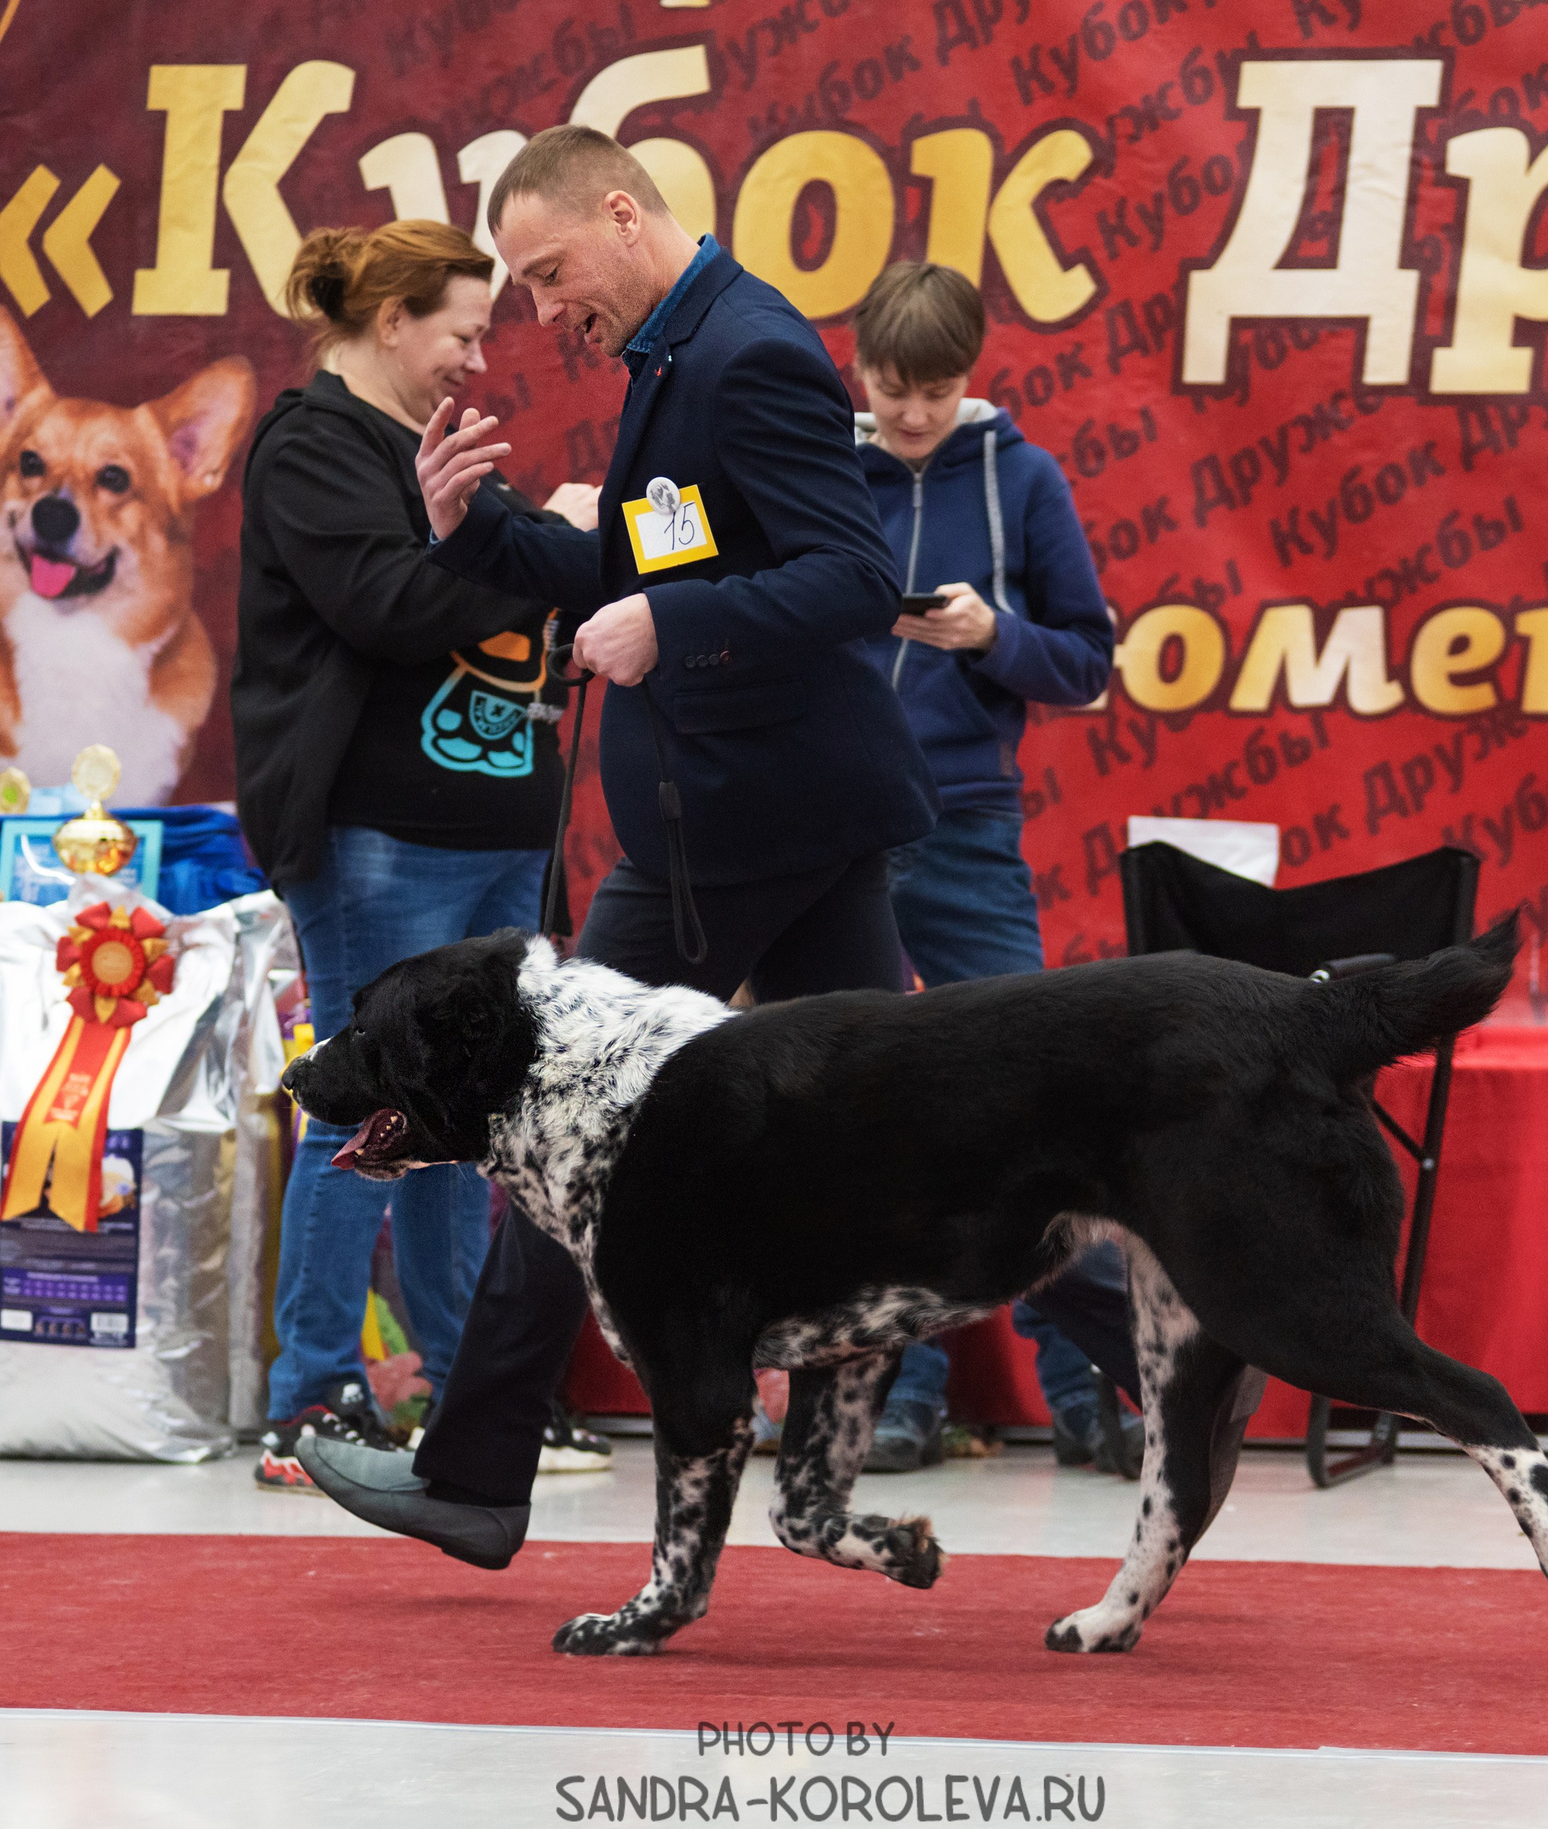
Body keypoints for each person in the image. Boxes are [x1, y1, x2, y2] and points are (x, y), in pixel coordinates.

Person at [296, 126, 1144, 1570]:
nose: (542, 310)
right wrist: (478, 529)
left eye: (551, 272)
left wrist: (668, 625)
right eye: (522, 284)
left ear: (624, 218)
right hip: (782, 822)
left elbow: (849, 574)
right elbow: (634, 568)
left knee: (555, 1111)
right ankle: (1160, 1339)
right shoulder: (673, 359)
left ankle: (474, 1470)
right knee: (912, 1138)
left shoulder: (747, 353)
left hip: (739, 826)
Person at [232, 218, 606, 1496]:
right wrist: (531, 552)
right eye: (461, 329)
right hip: (381, 836)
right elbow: (392, 604)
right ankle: (311, 1391)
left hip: (499, 833)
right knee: (369, 1098)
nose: (477, 355)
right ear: (388, 322)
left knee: (471, 1118)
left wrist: (565, 540)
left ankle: (476, 1388)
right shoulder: (313, 446)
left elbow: (505, 577)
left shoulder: (439, 449)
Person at [842, 262, 1144, 1477]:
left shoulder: (1020, 476)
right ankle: (898, 1388)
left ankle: (1090, 1385)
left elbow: (1087, 661)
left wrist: (989, 636)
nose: (913, 413)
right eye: (891, 388)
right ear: (857, 371)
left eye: (936, 389)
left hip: (964, 823)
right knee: (861, 1114)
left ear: (973, 376)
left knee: (1036, 1108)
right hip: (836, 827)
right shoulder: (817, 466)